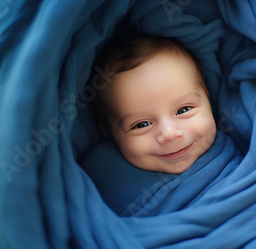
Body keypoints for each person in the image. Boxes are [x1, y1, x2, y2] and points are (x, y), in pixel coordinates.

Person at [93, 32, 217, 174]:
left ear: (207, 97)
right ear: (108, 133)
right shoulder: (103, 175)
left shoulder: (244, 147)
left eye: (183, 110)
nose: (169, 133)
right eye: (141, 125)